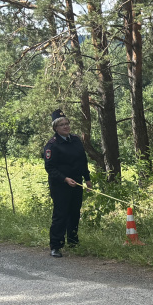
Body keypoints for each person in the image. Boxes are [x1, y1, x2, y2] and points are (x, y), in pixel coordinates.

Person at [43, 109, 91, 257]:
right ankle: (55, 246)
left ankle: (73, 242)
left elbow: (83, 161)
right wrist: (64, 179)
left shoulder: (76, 140)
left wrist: (87, 179)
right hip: (60, 185)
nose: (65, 126)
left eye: (67, 123)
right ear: (55, 128)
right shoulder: (52, 145)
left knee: (74, 213)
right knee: (61, 214)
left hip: (77, 183)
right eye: (61, 125)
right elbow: (50, 167)